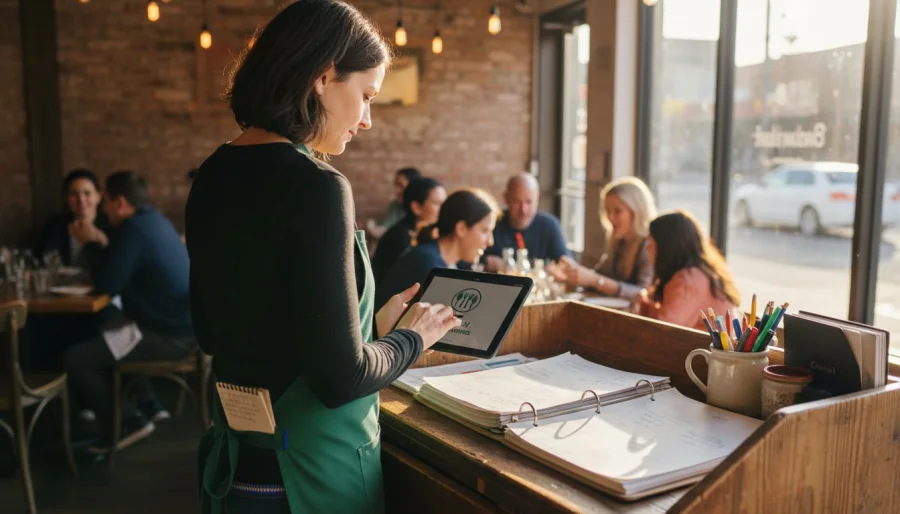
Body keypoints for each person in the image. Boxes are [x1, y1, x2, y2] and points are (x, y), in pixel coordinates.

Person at [185, 2, 459, 512]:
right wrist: (412, 338)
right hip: (310, 479)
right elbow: (341, 380)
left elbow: (213, 329)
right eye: (365, 96)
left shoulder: (213, 173)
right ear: (324, 76)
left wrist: (358, 329)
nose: (367, 120)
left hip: (238, 470)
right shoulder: (319, 187)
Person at [64, 170, 194, 451]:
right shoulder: (154, 220)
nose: (105, 208)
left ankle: (128, 421)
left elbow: (107, 283)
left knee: (74, 360)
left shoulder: (133, 230)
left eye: (106, 201)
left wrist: (89, 242)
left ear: (120, 202)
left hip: (168, 338)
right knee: (106, 324)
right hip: (184, 329)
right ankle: (144, 405)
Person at [376, 189, 501, 310]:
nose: (490, 241)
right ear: (461, 228)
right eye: (485, 231)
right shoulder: (428, 264)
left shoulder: (445, 262)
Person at [556, 177, 657, 301]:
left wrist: (594, 280)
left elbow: (644, 293)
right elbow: (599, 276)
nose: (610, 217)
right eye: (607, 211)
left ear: (636, 211)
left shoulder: (649, 245)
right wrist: (574, 274)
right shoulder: (619, 241)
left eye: (618, 211)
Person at [637, 210, 741, 330]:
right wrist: (647, 306)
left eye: (650, 242)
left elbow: (664, 332)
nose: (647, 248)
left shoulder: (687, 281)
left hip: (707, 347)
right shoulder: (701, 271)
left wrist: (645, 307)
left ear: (666, 247)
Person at [482, 172, 569, 271]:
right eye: (516, 202)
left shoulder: (549, 225)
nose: (523, 210)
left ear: (537, 199)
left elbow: (565, 263)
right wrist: (485, 261)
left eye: (529, 202)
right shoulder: (491, 223)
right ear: (506, 198)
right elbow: (466, 261)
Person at [371, 177, 446, 285]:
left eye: (444, 203)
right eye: (437, 203)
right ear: (416, 207)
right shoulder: (399, 238)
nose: (443, 209)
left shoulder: (428, 233)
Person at [35, 168, 110, 267]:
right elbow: (42, 258)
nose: (81, 200)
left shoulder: (110, 225)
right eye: (74, 194)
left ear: (98, 196)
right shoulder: (55, 225)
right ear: (67, 198)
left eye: (87, 193)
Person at [366, 167, 422, 239]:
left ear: (413, 186)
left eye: (401, 185)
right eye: (396, 185)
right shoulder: (396, 206)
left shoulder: (423, 207)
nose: (397, 190)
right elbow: (382, 231)